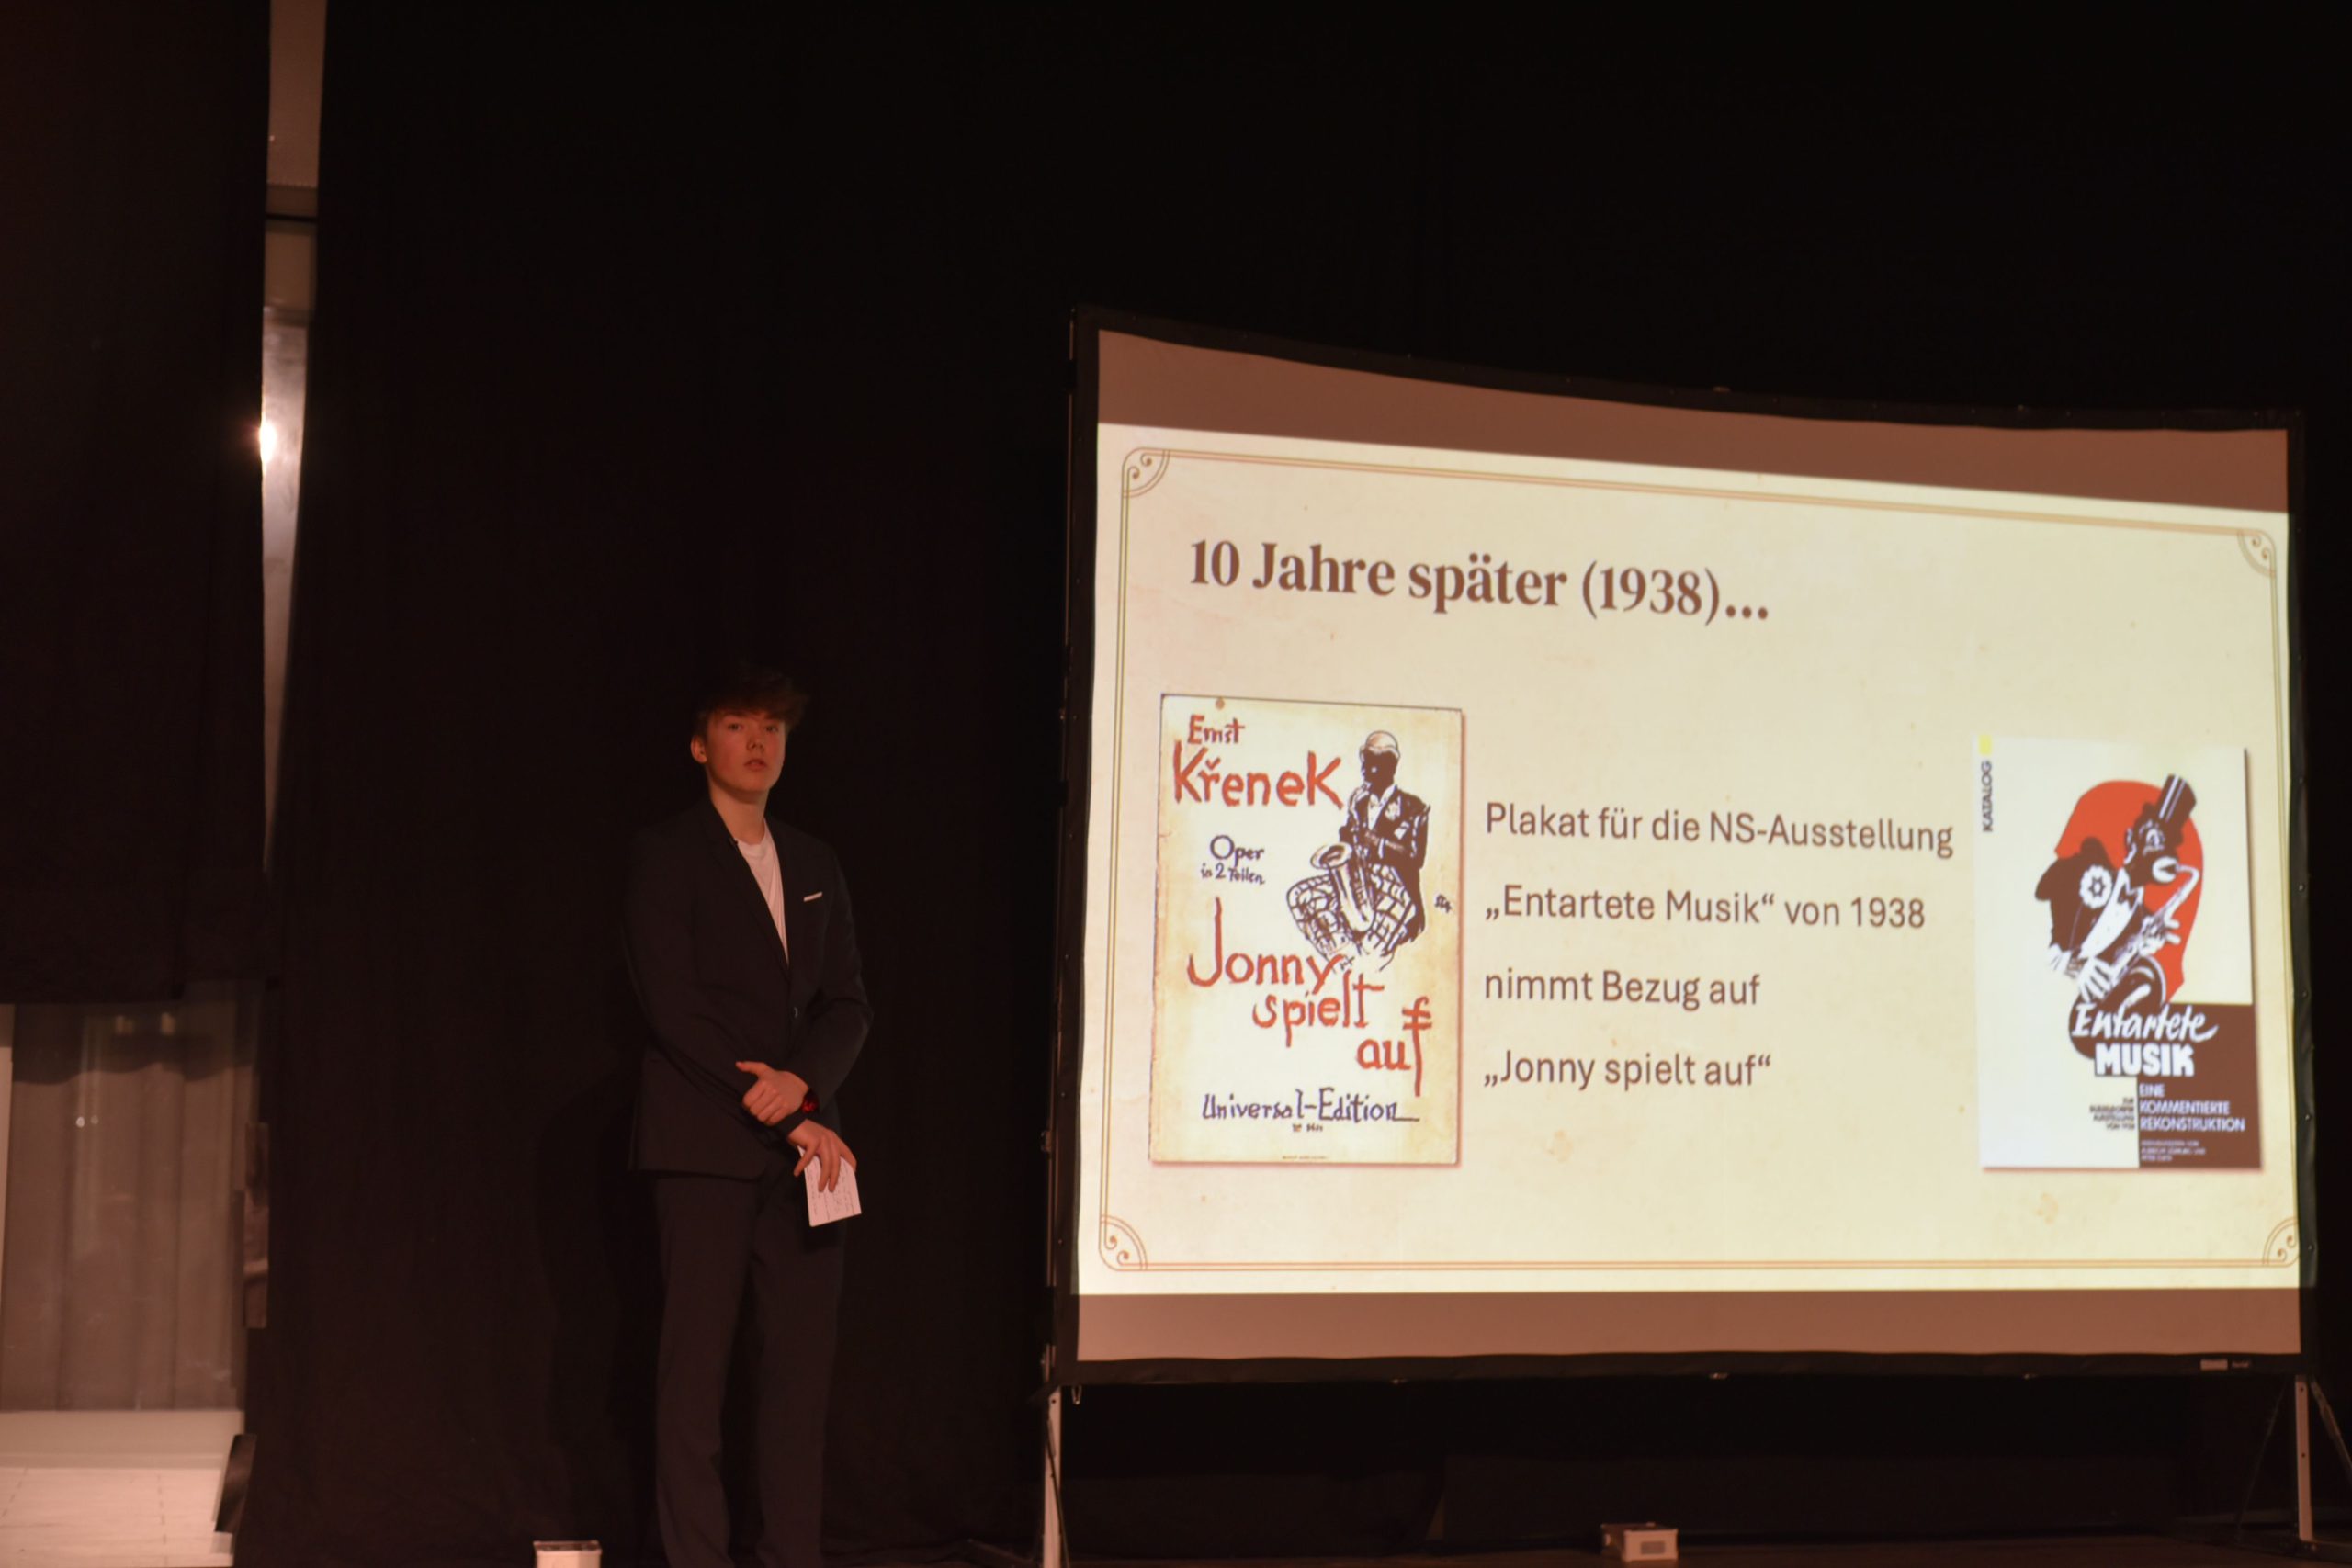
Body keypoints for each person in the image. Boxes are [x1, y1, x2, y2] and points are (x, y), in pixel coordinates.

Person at [622, 667, 870, 1568]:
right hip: (706, 1146)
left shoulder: (813, 861)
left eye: (772, 728)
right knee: (694, 1381)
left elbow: (849, 1005)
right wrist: (777, 1107)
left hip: (806, 1151)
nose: (758, 742)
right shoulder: (665, 854)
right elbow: (674, 1008)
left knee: (797, 1383)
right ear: (701, 745)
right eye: (737, 725)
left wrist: (802, 1089)